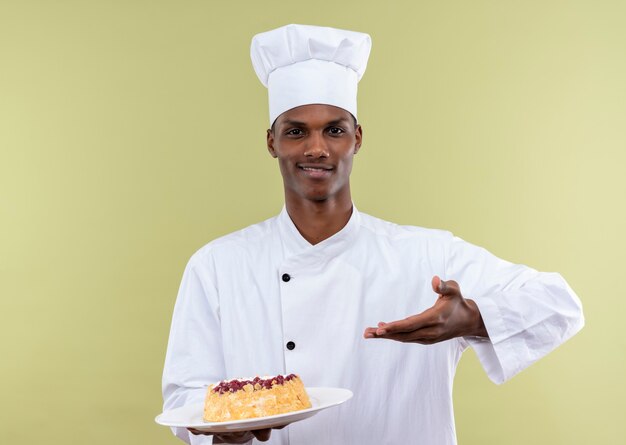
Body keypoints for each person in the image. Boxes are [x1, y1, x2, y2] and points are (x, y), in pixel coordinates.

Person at [162, 24, 584, 445]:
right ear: (271, 142)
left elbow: (561, 306)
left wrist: (472, 318)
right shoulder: (217, 265)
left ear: (357, 138)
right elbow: (186, 398)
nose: (316, 148)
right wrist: (224, 434)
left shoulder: (426, 256)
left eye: (334, 129)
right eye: (295, 131)